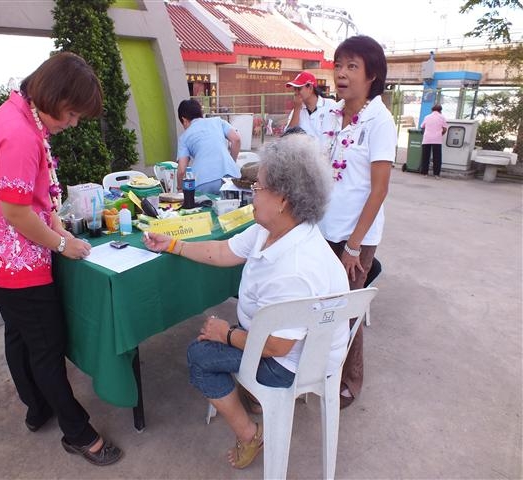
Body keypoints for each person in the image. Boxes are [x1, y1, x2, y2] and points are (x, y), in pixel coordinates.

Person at [142, 134, 349, 470]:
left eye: (258, 186)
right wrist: (173, 245)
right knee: (223, 335)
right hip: (292, 342)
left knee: (200, 355)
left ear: (282, 198)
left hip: (295, 362)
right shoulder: (275, 228)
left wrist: (225, 334)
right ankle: (249, 399)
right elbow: (224, 250)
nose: (251, 192)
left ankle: (249, 434)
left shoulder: (294, 269)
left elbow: (276, 347)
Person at [0, 52, 123, 466]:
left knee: (20, 333)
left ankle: (37, 408)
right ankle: (78, 433)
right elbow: (15, 212)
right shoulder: (20, 135)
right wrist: (61, 243)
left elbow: (34, 197)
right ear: (51, 96)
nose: (71, 124)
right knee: (46, 344)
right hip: (14, 257)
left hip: (0, 251)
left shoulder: (21, 115)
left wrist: (57, 226)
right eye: (70, 113)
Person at [316, 35, 396, 409]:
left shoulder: (380, 120)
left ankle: (350, 381)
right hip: (323, 228)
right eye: (338, 64)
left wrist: (352, 247)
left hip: (356, 237)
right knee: (321, 305)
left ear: (372, 75)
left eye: (352, 66)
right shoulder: (330, 115)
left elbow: (378, 191)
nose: (341, 74)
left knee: (346, 312)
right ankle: (318, 369)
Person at [176, 99, 241, 194]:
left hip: (202, 181)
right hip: (230, 177)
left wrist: (180, 188)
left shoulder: (184, 137)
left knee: (204, 208)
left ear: (184, 120)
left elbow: (182, 170)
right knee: (232, 206)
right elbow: (236, 139)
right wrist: (231, 162)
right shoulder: (218, 122)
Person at [284, 71, 337, 140]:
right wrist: (297, 109)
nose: (296, 93)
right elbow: (288, 136)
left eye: (299, 89)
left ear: (310, 88)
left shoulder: (331, 105)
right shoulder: (296, 110)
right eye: (295, 89)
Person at [420, 104, 448, 178]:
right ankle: (436, 174)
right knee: (437, 157)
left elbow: (422, 126)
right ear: (440, 110)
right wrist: (440, 134)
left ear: (432, 110)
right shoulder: (442, 117)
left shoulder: (427, 117)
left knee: (425, 156)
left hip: (427, 139)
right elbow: (445, 129)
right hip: (437, 139)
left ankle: (425, 173)